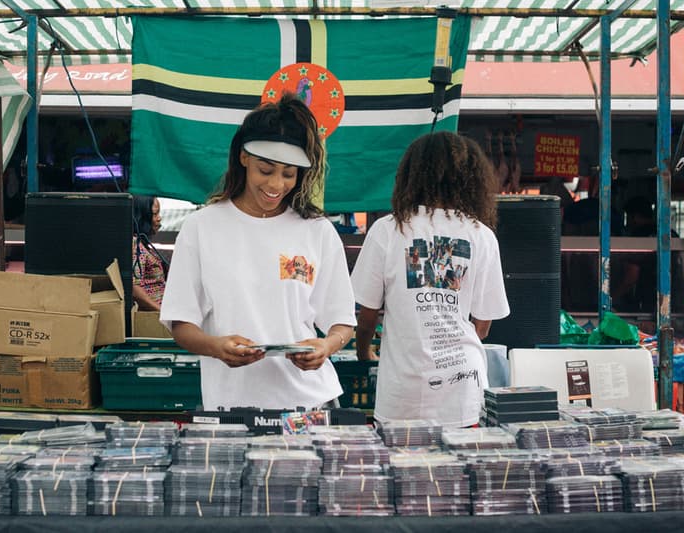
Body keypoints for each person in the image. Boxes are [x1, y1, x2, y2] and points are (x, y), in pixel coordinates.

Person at [159, 93, 356, 411]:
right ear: (243, 158)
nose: (276, 184)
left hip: (311, 403)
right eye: (266, 170)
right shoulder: (202, 227)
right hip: (232, 406)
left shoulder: (316, 230)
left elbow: (342, 322)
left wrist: (326, 346)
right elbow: (181, 323)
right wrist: (215, 347)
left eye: (289, 174)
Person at [351, 131, 510, 427]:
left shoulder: (387, 230)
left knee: (401, 471)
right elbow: (484, 324)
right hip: (462, 385)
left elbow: (367, 315)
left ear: (410, 175)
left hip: (403, 388)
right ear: (471, 178)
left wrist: (364, 352)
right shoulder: (481, 236)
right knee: (460, 471)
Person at [132, 195, 167, 311]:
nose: (159, 218)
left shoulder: (144, 244)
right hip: (152, 317)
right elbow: (134, 288)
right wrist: (161, 312)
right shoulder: (135, 245)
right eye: (155, 214)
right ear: (142, 216)